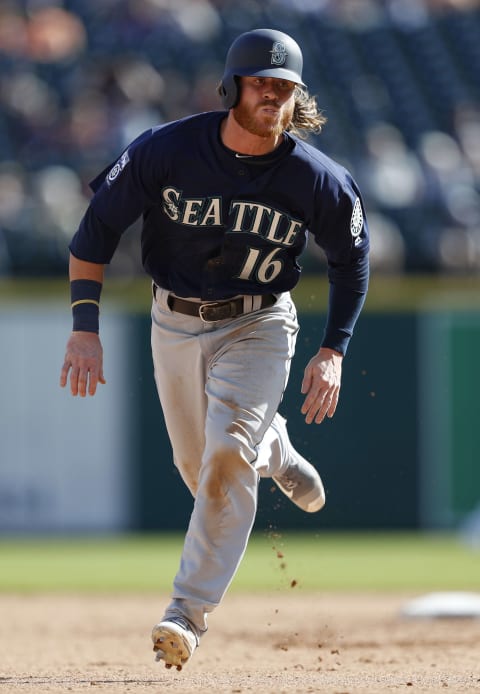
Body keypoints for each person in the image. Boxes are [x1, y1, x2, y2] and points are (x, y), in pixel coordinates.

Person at [60, 28, 369, 671]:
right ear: (232, 87)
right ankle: (273, 445)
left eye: (284, 88)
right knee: (201, 469)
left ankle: (186, 613)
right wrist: (84, 329)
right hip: (173, 321)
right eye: (261, 83)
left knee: (226, 459)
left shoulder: (318, 180)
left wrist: (333, 349)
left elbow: (352, 261)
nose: (273, 96)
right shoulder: (167, 150)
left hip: (259, 325)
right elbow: (93, 235)